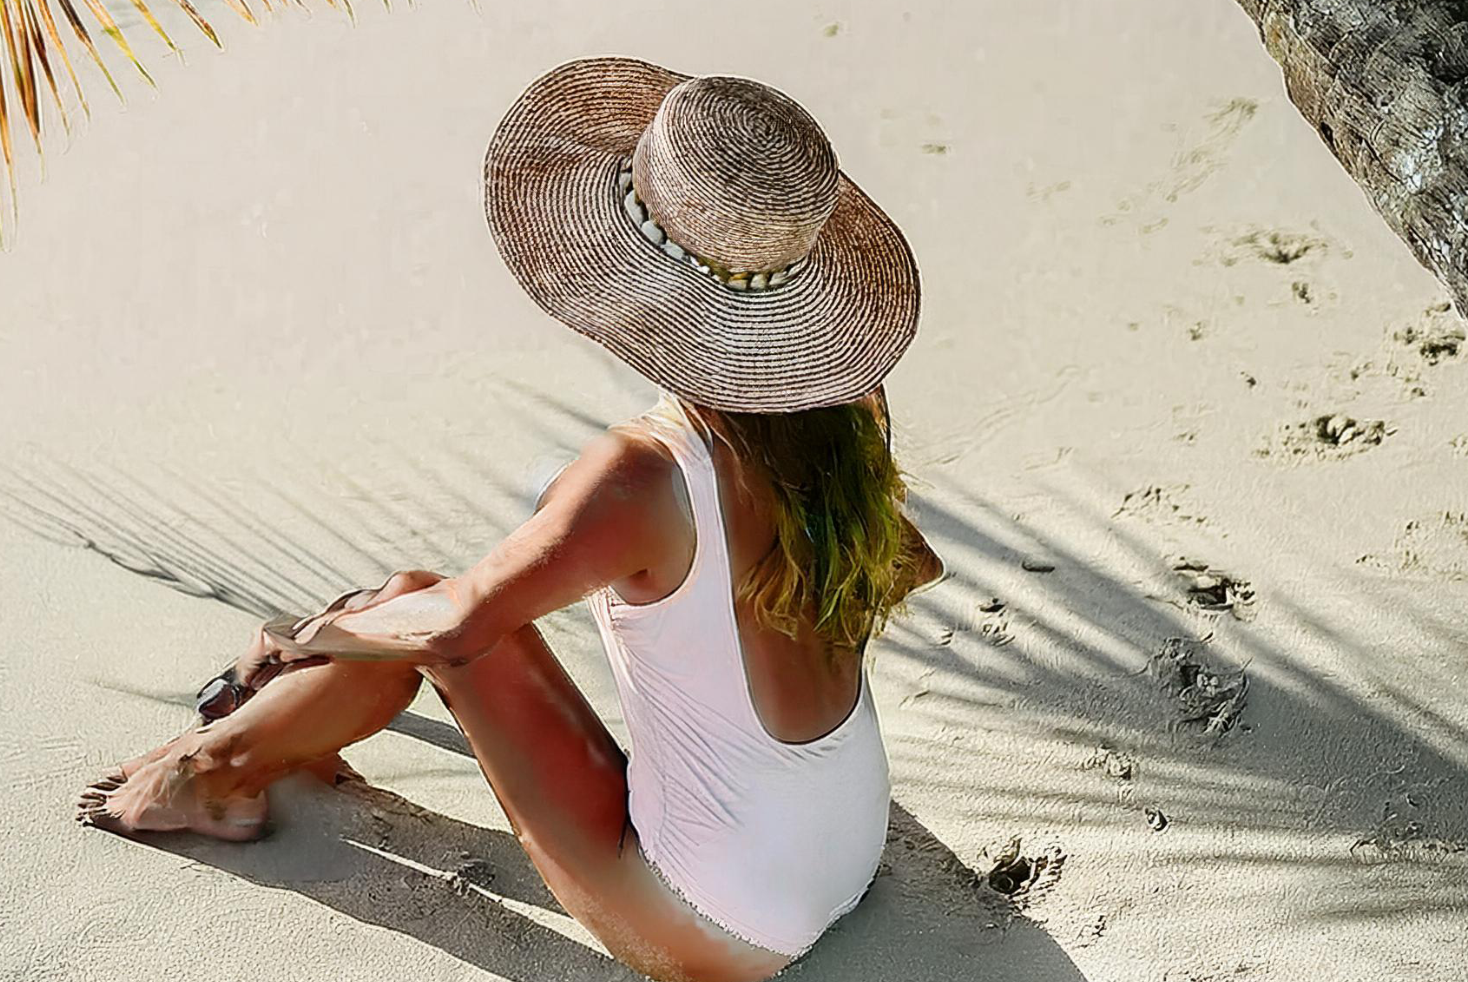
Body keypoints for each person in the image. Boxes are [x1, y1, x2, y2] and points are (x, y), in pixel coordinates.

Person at [77, 57, 940, 981]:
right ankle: (275, 718)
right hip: (845, 837)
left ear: (630, 266)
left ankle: (209, 778)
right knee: (409, 613)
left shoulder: (645, 473)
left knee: (412, 610)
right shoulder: (846, 411)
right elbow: (907, 562)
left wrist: (310, 635)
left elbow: (454, 626)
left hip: (725, 923)